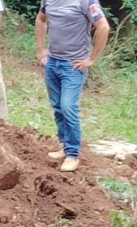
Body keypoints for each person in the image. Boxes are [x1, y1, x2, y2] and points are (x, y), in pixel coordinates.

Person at [35, 0, 110, 172]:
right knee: (58, 106)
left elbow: (103, 27)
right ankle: (65, 145)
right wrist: (40, 49)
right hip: (52, 62)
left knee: (68, 106)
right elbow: (41, 19)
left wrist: (91, 59)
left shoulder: (86, 2)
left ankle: (72, 154)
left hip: (73, 65)